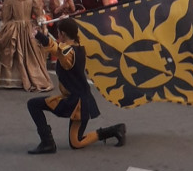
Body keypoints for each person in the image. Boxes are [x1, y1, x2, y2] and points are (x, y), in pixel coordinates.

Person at [27, 17, 125, 154]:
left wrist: (38, 35)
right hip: (80, 98)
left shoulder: (68, 52)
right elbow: (58, 48)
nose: (57, 35)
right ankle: (114, 130)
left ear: (63, 34)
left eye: (59, 32)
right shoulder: (78, 48)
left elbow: (58, 50)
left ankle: (47, 142)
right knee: (76, 142)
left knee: (33, 104)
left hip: (77, 102)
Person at [0, 0, 52, 92]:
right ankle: (32, 77)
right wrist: (43, 27)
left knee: (15, 53)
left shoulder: (9, 0)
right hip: (28, 28)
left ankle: (14, 80)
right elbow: (39, 16)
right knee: (30, 53)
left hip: (14, 27)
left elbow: (6, 18)